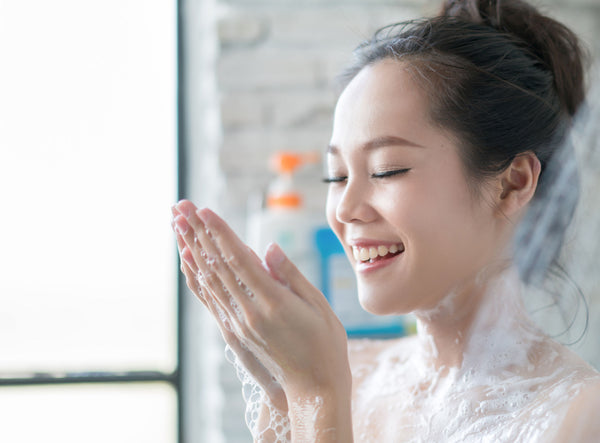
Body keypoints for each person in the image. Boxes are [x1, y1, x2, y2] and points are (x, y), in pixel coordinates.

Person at [172, 0, 600, 441]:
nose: (344, 207)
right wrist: (289, 396)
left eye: (386, 170)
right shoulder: (343, 369)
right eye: (336, 176)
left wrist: (316, 396)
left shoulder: (579, 415)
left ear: (513, 183)